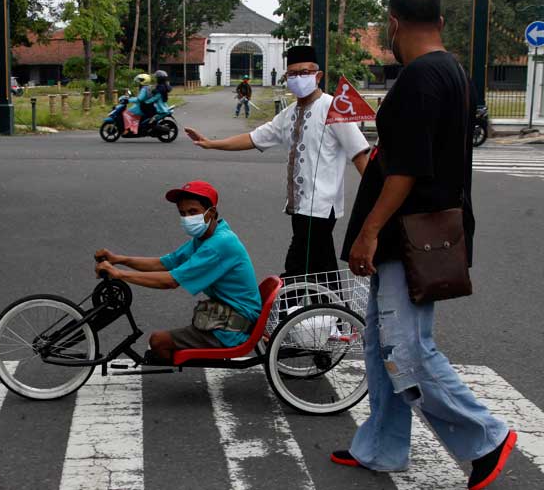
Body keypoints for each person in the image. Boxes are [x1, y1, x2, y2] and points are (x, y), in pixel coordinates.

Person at [332, 0, 516, 489]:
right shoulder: (453, 71)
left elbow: (407, 168)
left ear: (393, 24)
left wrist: (369, 232)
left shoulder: (419, 78)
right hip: (425, 230)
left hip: (407, 235)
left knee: (406, 348)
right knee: (379, 342)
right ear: (437, 20)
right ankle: (383, 447)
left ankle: (486, 436)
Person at [184, 46, 370, 279]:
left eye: (304, 72)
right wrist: (211, 143)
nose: (298, 78)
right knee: (319, 267)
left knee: (297, 266)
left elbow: (359, 155)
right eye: (292, 74)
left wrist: (376, 205)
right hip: (299, 207)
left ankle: (298, 309)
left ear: (318, 76)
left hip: (320, 207)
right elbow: (253, 138)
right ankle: (331, 312)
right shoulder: (289, 114)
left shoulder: (334, 108)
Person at [94, 181, 262, 363]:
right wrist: (119, 259)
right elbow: (165, 263)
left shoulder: (218, 245)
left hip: (236, 324)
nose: (187, 218)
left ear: (211, 213)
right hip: (227, 312)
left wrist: (120, 274)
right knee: (162, 342)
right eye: (182, 214)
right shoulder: (207, 236)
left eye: (193, 212)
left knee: (158, 342)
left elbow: (171, 281)